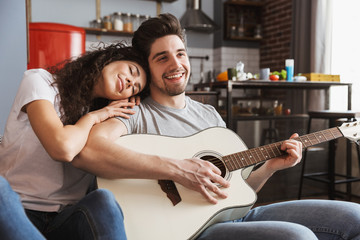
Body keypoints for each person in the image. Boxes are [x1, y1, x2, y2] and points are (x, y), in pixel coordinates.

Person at [74, 14, 360, 240]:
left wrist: (271, 167)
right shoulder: (135, 112)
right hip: (191, 230)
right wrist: (178, 169)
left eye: (180, 54)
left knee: (354, 217)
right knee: (297, 236)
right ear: (147, 68)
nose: (176, 64)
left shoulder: (210, 116)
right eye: (162, 58)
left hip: (235, 216)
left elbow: (239, 191)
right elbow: (89, 151)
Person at [0, 42, 148, 240]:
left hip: (66, 220)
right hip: (18, 209)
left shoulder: (109, 121)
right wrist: (94, 117)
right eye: (132, 71)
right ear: (111, 58)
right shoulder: (39, 81)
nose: (131, 82)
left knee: (104, 200)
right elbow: (62, 148)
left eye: (136, 88)